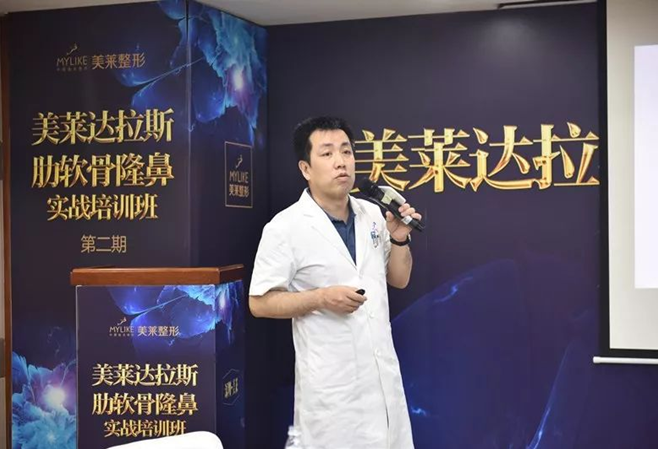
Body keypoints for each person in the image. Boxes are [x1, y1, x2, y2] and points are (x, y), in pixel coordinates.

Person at [249, 116, 419, 449]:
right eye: (327, 153)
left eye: (346, 151)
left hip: (382, 382)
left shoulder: (373, 214)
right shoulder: (285, 227)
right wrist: (321, 298)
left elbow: (399, 280)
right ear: (306, 168)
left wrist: (399, 238)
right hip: (332, 393)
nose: (341, 162)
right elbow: (259, 302)